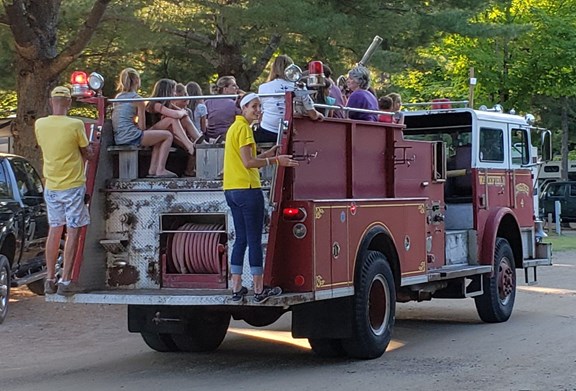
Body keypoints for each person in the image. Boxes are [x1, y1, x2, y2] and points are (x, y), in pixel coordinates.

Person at [223, 92, 297, 303]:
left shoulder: (233, 128)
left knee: (241, 240)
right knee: (254, 240)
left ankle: (236, 288)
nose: (257, 110)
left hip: (232, 189)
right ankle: (258, 288)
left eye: (259, 106)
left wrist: (267, 154)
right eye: (254, 106)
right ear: (244, 108)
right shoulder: (245, 129)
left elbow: (244, 159)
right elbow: (248, 163)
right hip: (248, 189)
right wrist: (276, 160)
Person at [34, 86, 93, 296]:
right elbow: (87, 152)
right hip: (73, 185)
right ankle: (66, 281)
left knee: (55, 229)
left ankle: (49, 278)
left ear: (51, 102)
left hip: (51, 185)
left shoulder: (40, 124)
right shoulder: (76, 124)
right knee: (73, 231)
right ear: (69, 102)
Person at [111, 68, 176, 178]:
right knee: (168, 135)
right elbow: (142, 127)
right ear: (137, 80)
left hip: (119, 137)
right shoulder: (138, 99)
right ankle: (161, 169)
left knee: (159, 137)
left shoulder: (118, 98)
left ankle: (153, 170)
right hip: (131, 136)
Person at [257, 54, 324, 143]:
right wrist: (319, 115)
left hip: (267, 129)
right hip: (288, 131)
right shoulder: (298, 87)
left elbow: (262, 110)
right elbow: (312, 114)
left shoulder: (263, 87)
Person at [146, 78, 201, 176]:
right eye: (173, 91)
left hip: (161, 133)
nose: (175, 94)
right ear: (167, 91)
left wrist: (183, 112)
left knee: (184, 118)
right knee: (172, 119)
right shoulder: (155, 104)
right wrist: (182, 112)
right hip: (149, 133)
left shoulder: (168, 104)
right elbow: (176, 115)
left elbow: (183, 114)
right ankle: (189, 145)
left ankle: (198, 141)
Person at [205, 76, 241, 142]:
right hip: (228, 135)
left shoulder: (208, 101)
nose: (237, 88)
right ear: (225, 89)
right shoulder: (234, 104)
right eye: (233, 86)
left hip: (210, 136)